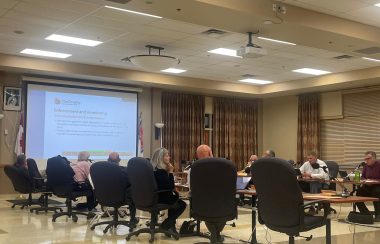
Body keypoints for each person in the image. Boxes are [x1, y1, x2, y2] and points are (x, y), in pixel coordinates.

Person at [151, 148, 186, 234]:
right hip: (161, 197)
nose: (169, 157)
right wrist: (170, 172)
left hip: (154, 197)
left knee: (174, 201)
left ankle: (170, 226)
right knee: (182, 204)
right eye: (167, 155)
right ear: (161, 158)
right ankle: (165, 225)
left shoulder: (154, 170)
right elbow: (170, 187)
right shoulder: (161, 172)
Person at [107, 152, 138, 225]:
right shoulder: (124, 170)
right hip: (122, 198)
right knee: (132, 191)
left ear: (108, 160)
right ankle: (132, 219)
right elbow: (130, 183)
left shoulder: (101, 171)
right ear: (119, 160)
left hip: (104, 198)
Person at [355, 151, 380, 222]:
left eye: (368, 158)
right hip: (368, 186)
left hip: (377, 186)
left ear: (374, 158)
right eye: (365, 159)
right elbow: (363, 176)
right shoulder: (366, 166)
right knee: (358, 193)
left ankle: (378, 215)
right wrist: (365, 180)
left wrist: (373, 181)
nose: (366, 160)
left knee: (376, 192)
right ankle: (366, 214)